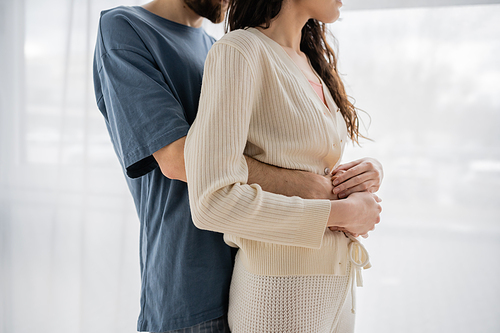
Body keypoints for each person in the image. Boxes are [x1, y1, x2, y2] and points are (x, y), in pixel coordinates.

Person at [93, 0, 383, 332]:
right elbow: (177, 159)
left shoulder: (216, 45)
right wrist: (318, 192)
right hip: (190, 279)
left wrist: (353, 178)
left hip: (254, 261)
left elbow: (277, 151)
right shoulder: (126, 28)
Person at [184, 0, 382, 332]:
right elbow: (212, 202)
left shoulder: (309, 60)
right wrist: (340, 215)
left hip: (337, 286)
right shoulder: (239, 52)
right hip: (280, 294)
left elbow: (308, 164)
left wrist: (365, 173)